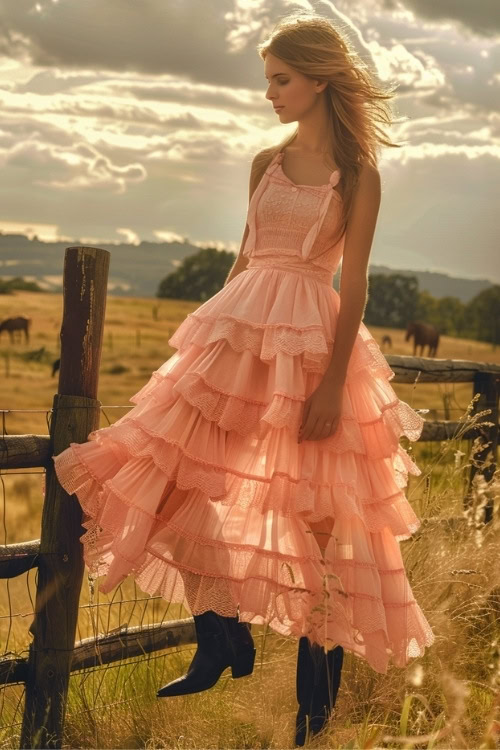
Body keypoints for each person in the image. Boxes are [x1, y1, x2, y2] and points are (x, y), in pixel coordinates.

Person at [52, 10, 435, 747]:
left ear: (319, 81)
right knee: (166, 476)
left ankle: (311, 720)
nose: (269, 93)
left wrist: (328, 386)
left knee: (326, 530)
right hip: (238, 332)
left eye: (281, 80)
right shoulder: (264, 162)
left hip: (313, 346)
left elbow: (352, 286)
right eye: (268, 80)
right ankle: (220, 634)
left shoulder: (358, 176)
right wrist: (200, 353)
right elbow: (242, 257)